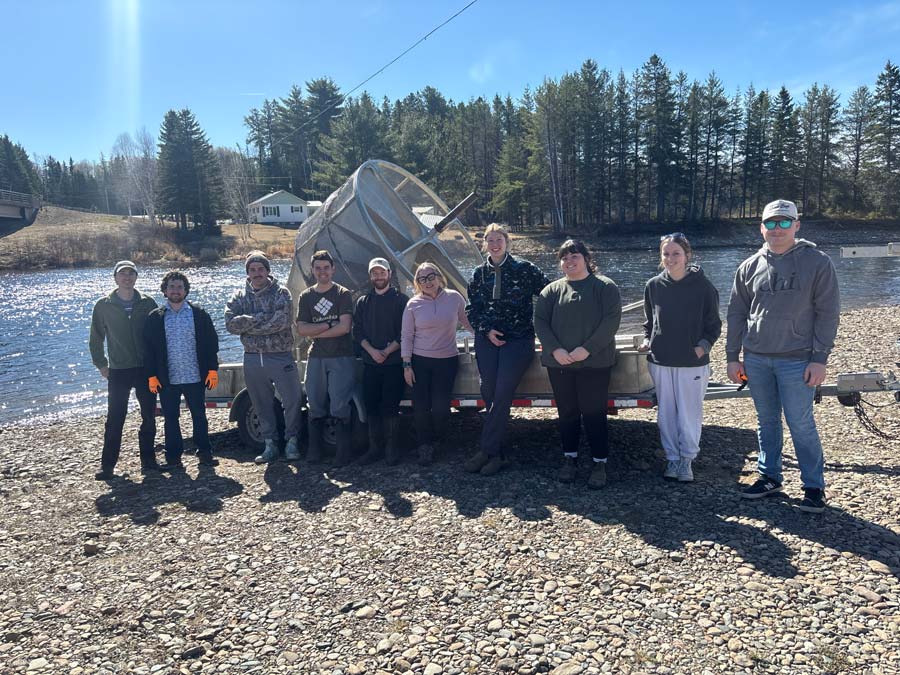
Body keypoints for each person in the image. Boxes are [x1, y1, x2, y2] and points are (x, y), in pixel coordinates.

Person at [726, 199, 840, 514]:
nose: (778, 229)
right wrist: (733, 356)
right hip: (757, 359)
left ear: (796, 225)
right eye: (771, 223)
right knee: (766, 420)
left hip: (798, 359)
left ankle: (814, 486)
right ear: (762, 227)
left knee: (800, 422)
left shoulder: (817, 262)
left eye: (784, 223)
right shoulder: (748, 266)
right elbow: (736, 313)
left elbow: (828, 313)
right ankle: (769, 476)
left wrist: (820, 358)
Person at [464, 223, 550, 476]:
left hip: (518, 339)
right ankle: (498, 455)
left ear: (507, 242)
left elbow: (549, 294)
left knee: (502, 392)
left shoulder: (524, 269)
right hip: (487, 339)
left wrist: (550, 330)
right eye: (489, 240)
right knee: (488, 390)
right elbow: (472, 310)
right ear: (485, 244)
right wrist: (487, 330)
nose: (494, 244)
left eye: (499, 239)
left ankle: (486, 450)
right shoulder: (478, 274)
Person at [534, 240, 621, 489]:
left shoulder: (604, 287)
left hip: (595, 364)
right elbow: (540, 322)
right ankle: (569, 459)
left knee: (594, 413)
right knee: (567, 413)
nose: (569, 261)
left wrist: (587, 349)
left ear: (586, 258)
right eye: (564, 258)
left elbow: (611, 321)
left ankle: (599, 462)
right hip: (559, 363)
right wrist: (556, 350)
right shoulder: (551, 291)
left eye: (574, 256)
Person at [639, 234, 721, 482]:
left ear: (687, 255)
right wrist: (647, 340)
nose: (670, 258)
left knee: (689, 413)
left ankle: (687, 460)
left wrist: (702, 347)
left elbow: (714, 325)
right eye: (666, 254)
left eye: (676, 253)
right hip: (660, 360)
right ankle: (672, 459)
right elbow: (649, 322)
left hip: (691, 362)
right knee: (666, 413)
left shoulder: (703, 286)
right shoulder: (653, 285)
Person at [225, 251, 303, 465]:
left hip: (280, 355)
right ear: (248, 273)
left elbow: (281, 322)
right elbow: (230, 323)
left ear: (268, 271)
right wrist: (261, 321)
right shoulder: (239, 296)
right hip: (252, 357)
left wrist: (249, 324)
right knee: (261, 403)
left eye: (261, 269)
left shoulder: (281, 293)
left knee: (293, 400)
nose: (257, 273)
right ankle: (270, 443)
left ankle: (292, 441)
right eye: (252, 270)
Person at [90, 260, 160, 480]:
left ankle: (149, 461)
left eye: (131, 274)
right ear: (116, 278)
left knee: (148, 415)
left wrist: (159, 365)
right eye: (123, 274)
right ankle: (108, 466)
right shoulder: (103, 305)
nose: (127, 277)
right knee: (115, 417)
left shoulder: (148, 303)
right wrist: (101, 364)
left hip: (145, 369)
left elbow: (158, 336)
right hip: (118, 370)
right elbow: (95, 338)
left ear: (136, 277)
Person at [143, 271, 220, 470]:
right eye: (171, 286)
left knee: (199, 415)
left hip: (195, 375)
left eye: (179, 287)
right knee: (170, 418)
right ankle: (173, 457)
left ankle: (204, 453)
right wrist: (151, 375)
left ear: (185, 290)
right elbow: (148, 349)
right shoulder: (155, 318)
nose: (175, 290)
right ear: (164, 290)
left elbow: (211, 344)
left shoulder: (199, 314)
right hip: (168, 379)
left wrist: (212, 370)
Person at [401, 262, 474, 465]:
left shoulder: (454, 298)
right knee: (421, 406)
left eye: (431, 276)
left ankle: (440, 440)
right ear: (417, 283)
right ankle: (424, 445)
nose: (428, 282)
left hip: (447, 360)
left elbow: (468, 322)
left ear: (439, 277)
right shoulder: (413, 304)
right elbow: (406, 336)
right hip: (419, 361)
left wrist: (487, 339)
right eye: (422, 279)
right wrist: (407, 365)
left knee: (441, 407)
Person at [296, 250, 355, 466]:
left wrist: (316, 332)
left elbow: (344, 327)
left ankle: (343, 453)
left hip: (341, 356)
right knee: (315, 403)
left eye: (326, 268)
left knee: (340, 404)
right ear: (312, 270)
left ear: (333, 269)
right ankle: (314, 451)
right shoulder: (306, 296)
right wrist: (326, 325)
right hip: (316, 357)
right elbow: (301, 328)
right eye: (318, 268)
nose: (322, 272)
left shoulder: (342, 294)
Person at [353, 257, 409, 465]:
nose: (378, 276)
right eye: (374, 273)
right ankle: (374, 448)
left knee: (390, 406)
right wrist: (372, 351)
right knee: (371, 406)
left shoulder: (401, 300)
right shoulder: (362, 302)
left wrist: (386, 351)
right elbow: (357, 331)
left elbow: (406, 332)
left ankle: (391, 449)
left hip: (394, 364)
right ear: (370, 276)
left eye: (382, 272)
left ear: (389, 274)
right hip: (370, 363)